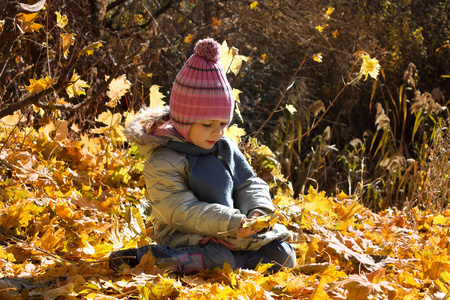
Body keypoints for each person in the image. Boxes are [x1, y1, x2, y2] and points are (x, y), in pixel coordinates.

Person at [109, 38, 296, 274]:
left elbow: (248, 183)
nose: (217, 132)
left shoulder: (224, 145)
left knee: (285, 256)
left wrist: (256, 212)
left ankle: (236, 263)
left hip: (235, 229)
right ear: (183, 121)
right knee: (215, 258)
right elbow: (182, 211)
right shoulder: (164, 159)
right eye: (207, 124)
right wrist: (231, 223)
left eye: (223, 123)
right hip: (187, 233)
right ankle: (145, 259)